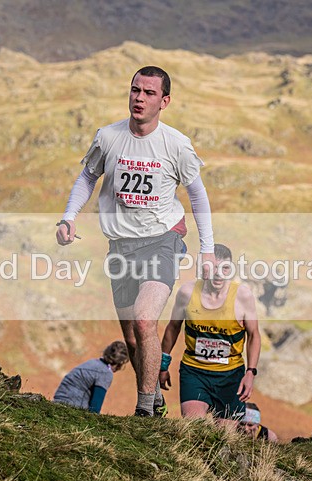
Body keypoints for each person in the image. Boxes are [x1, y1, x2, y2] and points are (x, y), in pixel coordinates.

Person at [56, 66, 216, 417]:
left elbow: (198, 198)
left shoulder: (176, 145)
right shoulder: (108, 137)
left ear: (165, 101)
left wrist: (207, 250)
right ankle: (155, 398)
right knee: (132, 339)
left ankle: (145, 411)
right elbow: (87, 177)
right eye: (135, 90)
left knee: (145, 321)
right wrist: (69, 217)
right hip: (121, 248)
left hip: (163, 240)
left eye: (149, 93)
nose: (139, 98)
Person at [159, 244, 261, 424]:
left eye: (225, 268)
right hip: (195, 371)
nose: (219, 274)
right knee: (193, 428)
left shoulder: (243, 296)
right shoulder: (187, 293)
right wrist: (162, 365)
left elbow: (254, 335)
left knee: (226, 437)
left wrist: (250, 372)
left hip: (230, 375)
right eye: (213, 267)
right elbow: (173, 328)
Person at [53, 341, 129, 414]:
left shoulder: (92, 362)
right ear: (120, 363)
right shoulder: (105, 373)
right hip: (71, 410)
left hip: (56, 404)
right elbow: (95, 408)